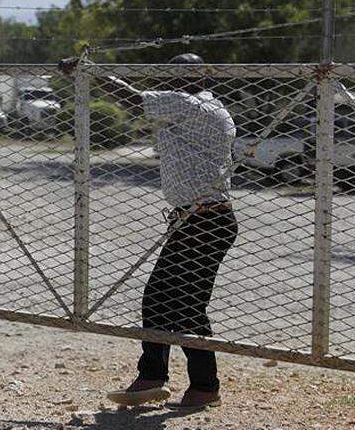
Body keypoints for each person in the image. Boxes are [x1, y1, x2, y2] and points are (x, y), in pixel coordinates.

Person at [63, 53, 239, 410]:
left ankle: (195, 384)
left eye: (178, 73)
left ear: (194, 77)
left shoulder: (187, 104)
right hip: (200, 219)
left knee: (180, 303)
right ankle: (162, 379)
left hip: (203, 220)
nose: (172, 80)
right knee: (168, 300)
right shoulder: (214, 107)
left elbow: (134, 99)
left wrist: (92, 74)